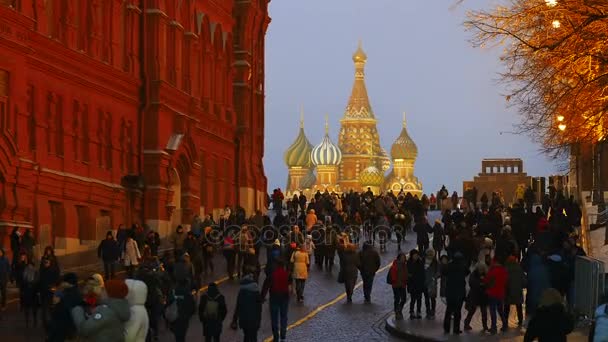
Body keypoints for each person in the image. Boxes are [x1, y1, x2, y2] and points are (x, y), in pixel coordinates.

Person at [47, 273, 82, 342]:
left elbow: (62, 310)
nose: (62, 283)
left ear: (68, 283)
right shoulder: (71, 291)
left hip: (63, 327)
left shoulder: (70, 294)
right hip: (64, 326)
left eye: (63, 281)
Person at [262, 258, 291, 342]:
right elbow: (289, 285)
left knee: (274, 317)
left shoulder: (272, 274)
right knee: (284, 316)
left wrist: (262, 297)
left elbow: (266, 286)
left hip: (274, 296)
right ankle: (283, 335)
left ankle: (276, 337)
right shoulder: (286, 274)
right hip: (285, 296)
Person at [443, 252, 469, 334]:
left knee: (449, 310)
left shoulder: (449, 265)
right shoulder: (462, 266)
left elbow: (444, 272)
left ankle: (446, 328)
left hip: (450, 292)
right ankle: (456, 329)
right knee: (457, 312)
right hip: (459, 292)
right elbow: (467, 272)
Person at [233, 273, 262, 342]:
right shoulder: (256, 292)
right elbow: (259, 309)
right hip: (254, 321)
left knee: (246, 336)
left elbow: (238, 306)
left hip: (245, 321)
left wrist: (235, 320)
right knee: (253, 337)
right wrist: (258, 321)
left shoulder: (242, 293)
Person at [485, 256, 508, 334]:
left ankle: (494, 327)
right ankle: (505, 325)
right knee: (500, 310)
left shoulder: (492, 270)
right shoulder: (504, 270)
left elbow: (487, 280)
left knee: (493, 310)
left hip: (492, 293)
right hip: (500, 293)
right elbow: (506, 281)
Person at [463, 261, 489, 331]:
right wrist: (480, 284)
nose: (481, 270)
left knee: (484, 312)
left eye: (482, 269)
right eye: (480, 269)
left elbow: (488, 283)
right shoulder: (473, 274)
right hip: (475, 295)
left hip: (483, 296)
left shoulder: (486, 274)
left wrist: (484, 284)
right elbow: (471, 282)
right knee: (471, 310)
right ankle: (466, 323)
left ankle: (485, 326)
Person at [504, 255, 525, 328]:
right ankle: (520, 320)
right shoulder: (519, 269)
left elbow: (504, 281)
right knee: (519, 306)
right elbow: (524, 281)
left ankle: (505, 321)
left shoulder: (505, 269)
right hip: (518, 291)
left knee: (506, 307)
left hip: (508, 291)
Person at [388, 252, 408, 320]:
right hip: (396, 285)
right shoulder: (395, 266)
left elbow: (406, 274)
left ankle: (399, 310)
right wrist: (395, 281)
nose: (403, 259)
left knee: (404, 298)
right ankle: (397, 311)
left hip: (402, 285)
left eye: (404, 258)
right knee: (397, 298)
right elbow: (393, 276)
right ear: (399, 259)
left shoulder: (405, 265)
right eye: (402, 258)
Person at [407, 249, 425, 319]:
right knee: (413, 299)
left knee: (419, 299)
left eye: (417, 255)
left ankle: (418, 311)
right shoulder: (409, 263)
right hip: (412, 284)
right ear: (412, 256)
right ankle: (411, 311)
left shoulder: (420, 263)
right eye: (414, 255)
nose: (416, 256)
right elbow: (408, 274)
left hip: (419, 283)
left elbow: (422, 273)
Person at [22, 261, 39, 327]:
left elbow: (37, 281)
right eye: (28, 265)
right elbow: (23, 281)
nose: (29, 267)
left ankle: (35, 320)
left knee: (34, 308)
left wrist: (31, 283)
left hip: (34, 292)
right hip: (27, 292)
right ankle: (27, 321)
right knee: (27, 308)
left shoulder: (36, 272)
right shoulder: (25, 272)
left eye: (31, 265)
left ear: (33, 266)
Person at [423, 248, 439, 319]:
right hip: (425, 282)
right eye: (429, 254)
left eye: (431, 254)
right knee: (426, 298)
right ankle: (428, 311)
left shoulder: (435, 262)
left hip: (432, 283)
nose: (430, 256)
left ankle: (432, 310)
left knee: (432, 298)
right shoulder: (423, 261)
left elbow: (438, 271)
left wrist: (434, 277)